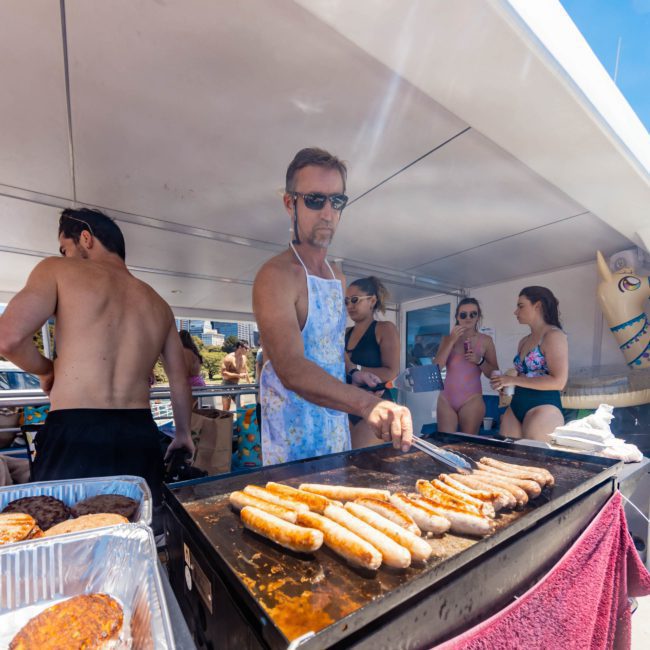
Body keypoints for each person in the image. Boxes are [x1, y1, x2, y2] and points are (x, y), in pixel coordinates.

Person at [0, 208, 194, 503]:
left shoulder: (56, 270)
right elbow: (180, 379)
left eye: (65, 248)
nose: (64, 256)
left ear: (86, 238)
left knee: (64, 533)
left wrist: (47, 369)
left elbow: (8, 340)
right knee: (134, 536)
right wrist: (183, 434)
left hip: (75, 431)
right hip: (139, 432)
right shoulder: (158, 302)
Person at [253, 147, 412, 465]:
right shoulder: (275, 276)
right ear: (290, 203)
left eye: (337, 201)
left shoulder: (337, 277)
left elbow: (327, 350)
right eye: (314, 199)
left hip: (334, 426)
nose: (327, 212)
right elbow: (291, 367)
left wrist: (353, 373)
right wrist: (367, 405)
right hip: (292, 436)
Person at [490, 286, 568, 441]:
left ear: (537, 306)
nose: (515, 312)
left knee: (535, 462)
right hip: (516, 405)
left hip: (543, 406)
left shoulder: (553, 336)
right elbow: (522, 377)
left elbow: (559, 382)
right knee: (508, 459)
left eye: (520, 306)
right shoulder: (524, 341)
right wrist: (505, 386)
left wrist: (512, 379)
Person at [345, 277, 400, 448]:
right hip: (347, 405)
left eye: (355, 300)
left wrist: (354, 369)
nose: (349, 306)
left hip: (376, 403)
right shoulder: (345, 333)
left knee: (359, 465)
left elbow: (391, 372)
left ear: (372, 300)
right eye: (346, 301)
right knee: (342, 466)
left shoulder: (384, 328)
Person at [434, 298, 499, 435]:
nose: (468, 318)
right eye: (463, 315)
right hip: (446, 398)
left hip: (471, 399)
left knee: (468, 445)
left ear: (478, 316)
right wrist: (451, 341)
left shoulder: (486, 341)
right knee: (445, 444)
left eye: (473, 314)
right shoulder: (447, 339)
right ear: (457, 317)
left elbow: (493, 373)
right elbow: (436, 368)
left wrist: (479, 360)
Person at [220, 340, 251, 411]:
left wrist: (250, 384)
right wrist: (238, 376)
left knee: (242, 407)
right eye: (246, 348)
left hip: (236, 385)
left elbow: (245, 371)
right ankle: (225, 422)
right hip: (226, 385)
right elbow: (223, 373)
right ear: (240, 347)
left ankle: (239, 422)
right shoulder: (229, 358)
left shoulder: (244, 358)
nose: (248, 350)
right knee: (226, 409)